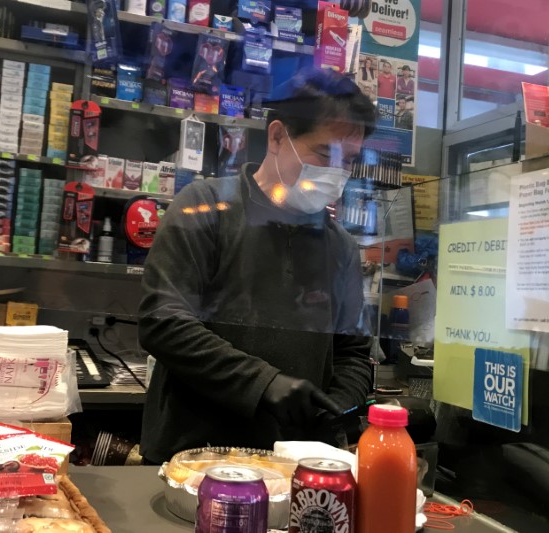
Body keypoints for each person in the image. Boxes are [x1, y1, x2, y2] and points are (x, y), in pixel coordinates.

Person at [138, 70, 376, 464]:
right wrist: (264, 384)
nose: (337, 174)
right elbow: (164, 322)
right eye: (324, 154)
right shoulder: (205, 209)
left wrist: (338, 407)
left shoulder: (340, 247)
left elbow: (352, 350)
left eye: (348, 160)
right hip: (193, 459)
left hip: (293, 467)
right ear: (278, 137)